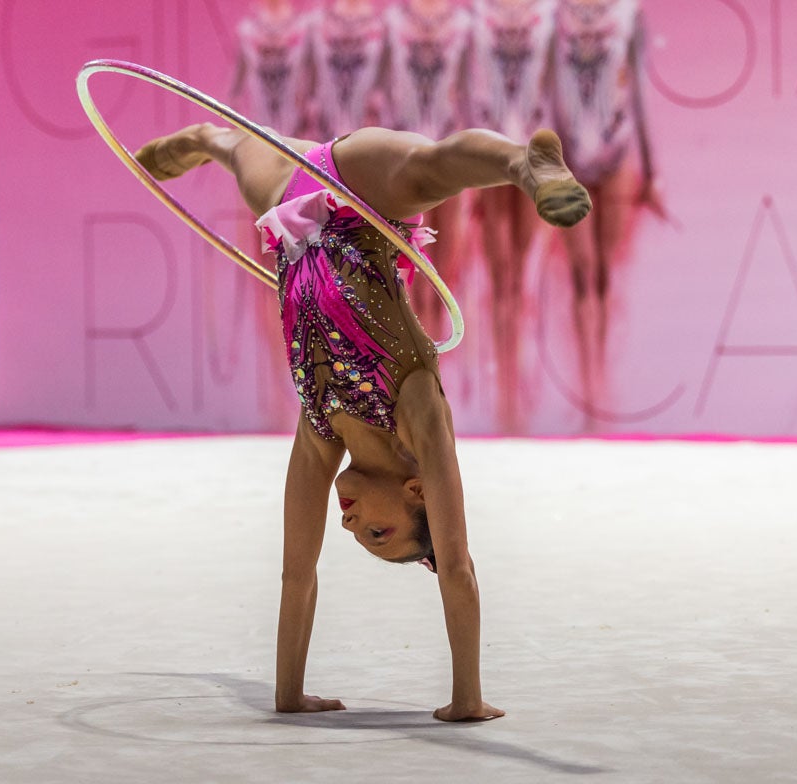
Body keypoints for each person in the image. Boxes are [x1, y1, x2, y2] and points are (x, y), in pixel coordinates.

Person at [134, 120, 590, 720]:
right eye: (379, 532)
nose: (350, 527)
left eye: (359, 540)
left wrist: (289, 695)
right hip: (360, 197)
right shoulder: (416, 410)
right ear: (414, 490)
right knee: (430, 170)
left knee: (236, 150)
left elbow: (296, 574)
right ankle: (527, 165)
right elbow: (454, 565)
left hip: (294, 216)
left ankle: (198, 138)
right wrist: (466, 699)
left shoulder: (320, 432)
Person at [549, 0, 662, 422]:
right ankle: (587, 390)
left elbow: (639, 92)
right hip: (568, 158)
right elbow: (545, 93)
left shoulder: (629, 15)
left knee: (606, 275)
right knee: (583, 273)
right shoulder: (554, 15)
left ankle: (603, 386)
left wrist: (651, 169)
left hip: (616, 152)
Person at [468, 0, 556, 431]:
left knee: (521, 278)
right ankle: (502, 394)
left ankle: (518, 390)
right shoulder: (478, 16)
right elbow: (469, 88)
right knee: (501, 277)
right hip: (490, 152)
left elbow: (556, 86)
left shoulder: (548, 15)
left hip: (534, 150)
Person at [382, 0, 474, 347]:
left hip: (448, 157)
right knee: (408, 271)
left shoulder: (462, 24)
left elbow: (467, 97)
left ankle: (437, 368)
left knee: (445, 272)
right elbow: (380, 94)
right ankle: (414, 361)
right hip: (405, 160)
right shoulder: (393, 22)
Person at [303, 0, 388, 134]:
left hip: (365, 123)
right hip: (325, 120)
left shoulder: (383, 23)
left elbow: (386, 70)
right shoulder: (316, 22)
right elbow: (309, 68)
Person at [231, 0, 310, 138]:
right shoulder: (248, 29)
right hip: (262, 109)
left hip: (294, 111)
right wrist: (234, 96)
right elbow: (242, 66)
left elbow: (312, 68)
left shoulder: (304, 26)